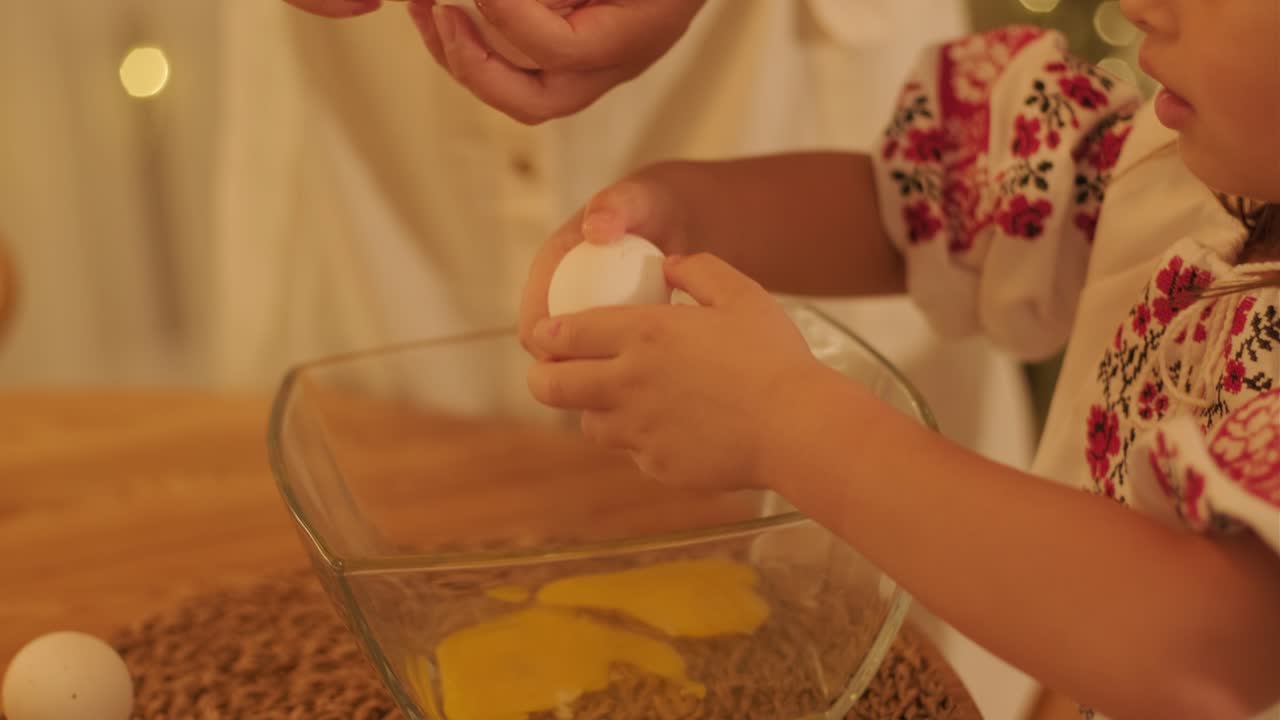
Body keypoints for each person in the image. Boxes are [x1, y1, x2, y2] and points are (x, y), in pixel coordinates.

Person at [517, 0, 1280, 717]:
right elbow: (911, 211)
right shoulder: (1177, 174)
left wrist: (786, 422)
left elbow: (1196, 647)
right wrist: (691, 213)